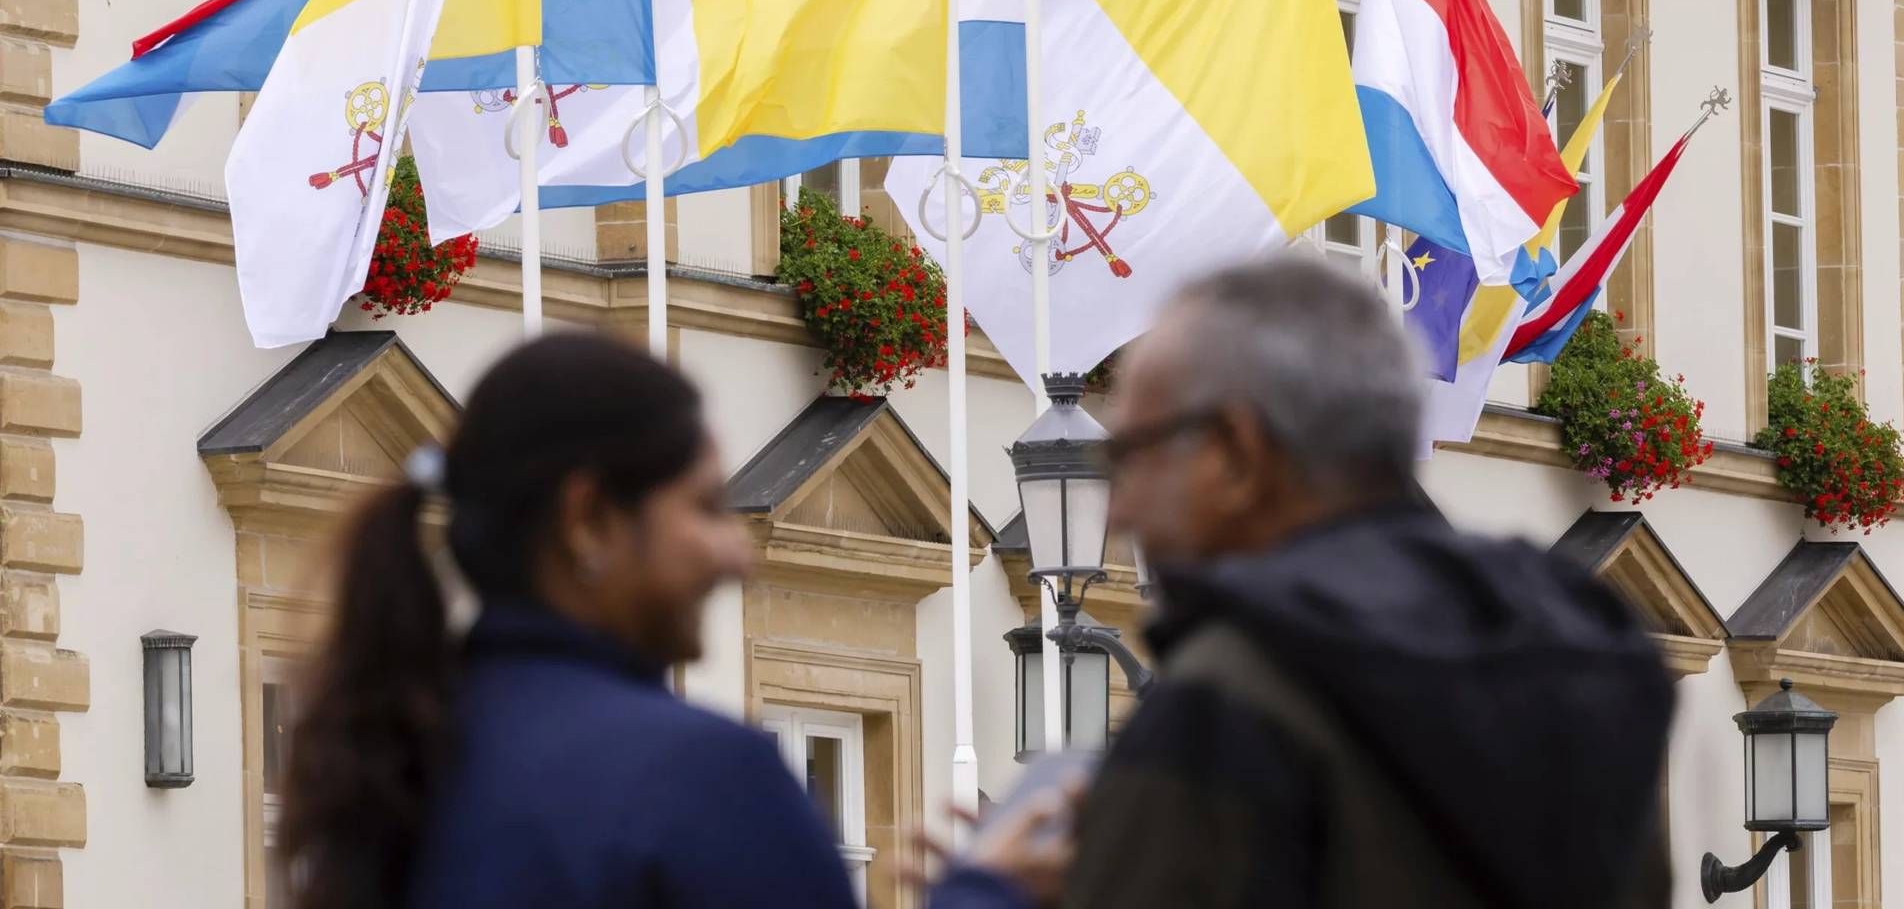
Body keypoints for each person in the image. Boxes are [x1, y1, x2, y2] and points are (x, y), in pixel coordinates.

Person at [280, 332, 1059, 909]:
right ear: (587, 520)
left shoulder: (395, 761)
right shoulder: (699, 780)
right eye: (704, 507)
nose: (737, 554)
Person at [1056, 253, 1675, 908]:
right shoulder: (1583, 665)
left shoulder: (1236, 693)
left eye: (1129, 455)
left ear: (1237, 452)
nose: (1117, 509)